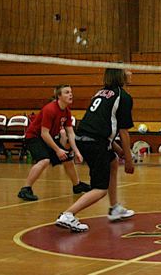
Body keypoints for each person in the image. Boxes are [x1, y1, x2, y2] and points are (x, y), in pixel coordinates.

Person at [55, 68, 135, 232]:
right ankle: (68, 214)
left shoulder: (99, 94)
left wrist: (118, 150)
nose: (131, 72)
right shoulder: (123, 97)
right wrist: (128, 159)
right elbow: (123, 132)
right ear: (120, 75)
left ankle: (114, 208)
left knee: (113, 163)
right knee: (100, 189)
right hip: (95, 143)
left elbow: (100, 125)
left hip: (85, 138)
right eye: (127, 70)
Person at [17, 84, 90, 201]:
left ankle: (77, 185)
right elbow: (44, 133)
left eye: (71, 92)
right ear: (59, 96)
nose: (71, 94)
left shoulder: (66, 110)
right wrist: (57, 150)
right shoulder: (50, 109)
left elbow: (71, 133)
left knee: (67, 158)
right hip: (34, 137)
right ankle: (25, 189)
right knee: (44, 160)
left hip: (47, 137)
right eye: (67, 92)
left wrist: (77, 151)